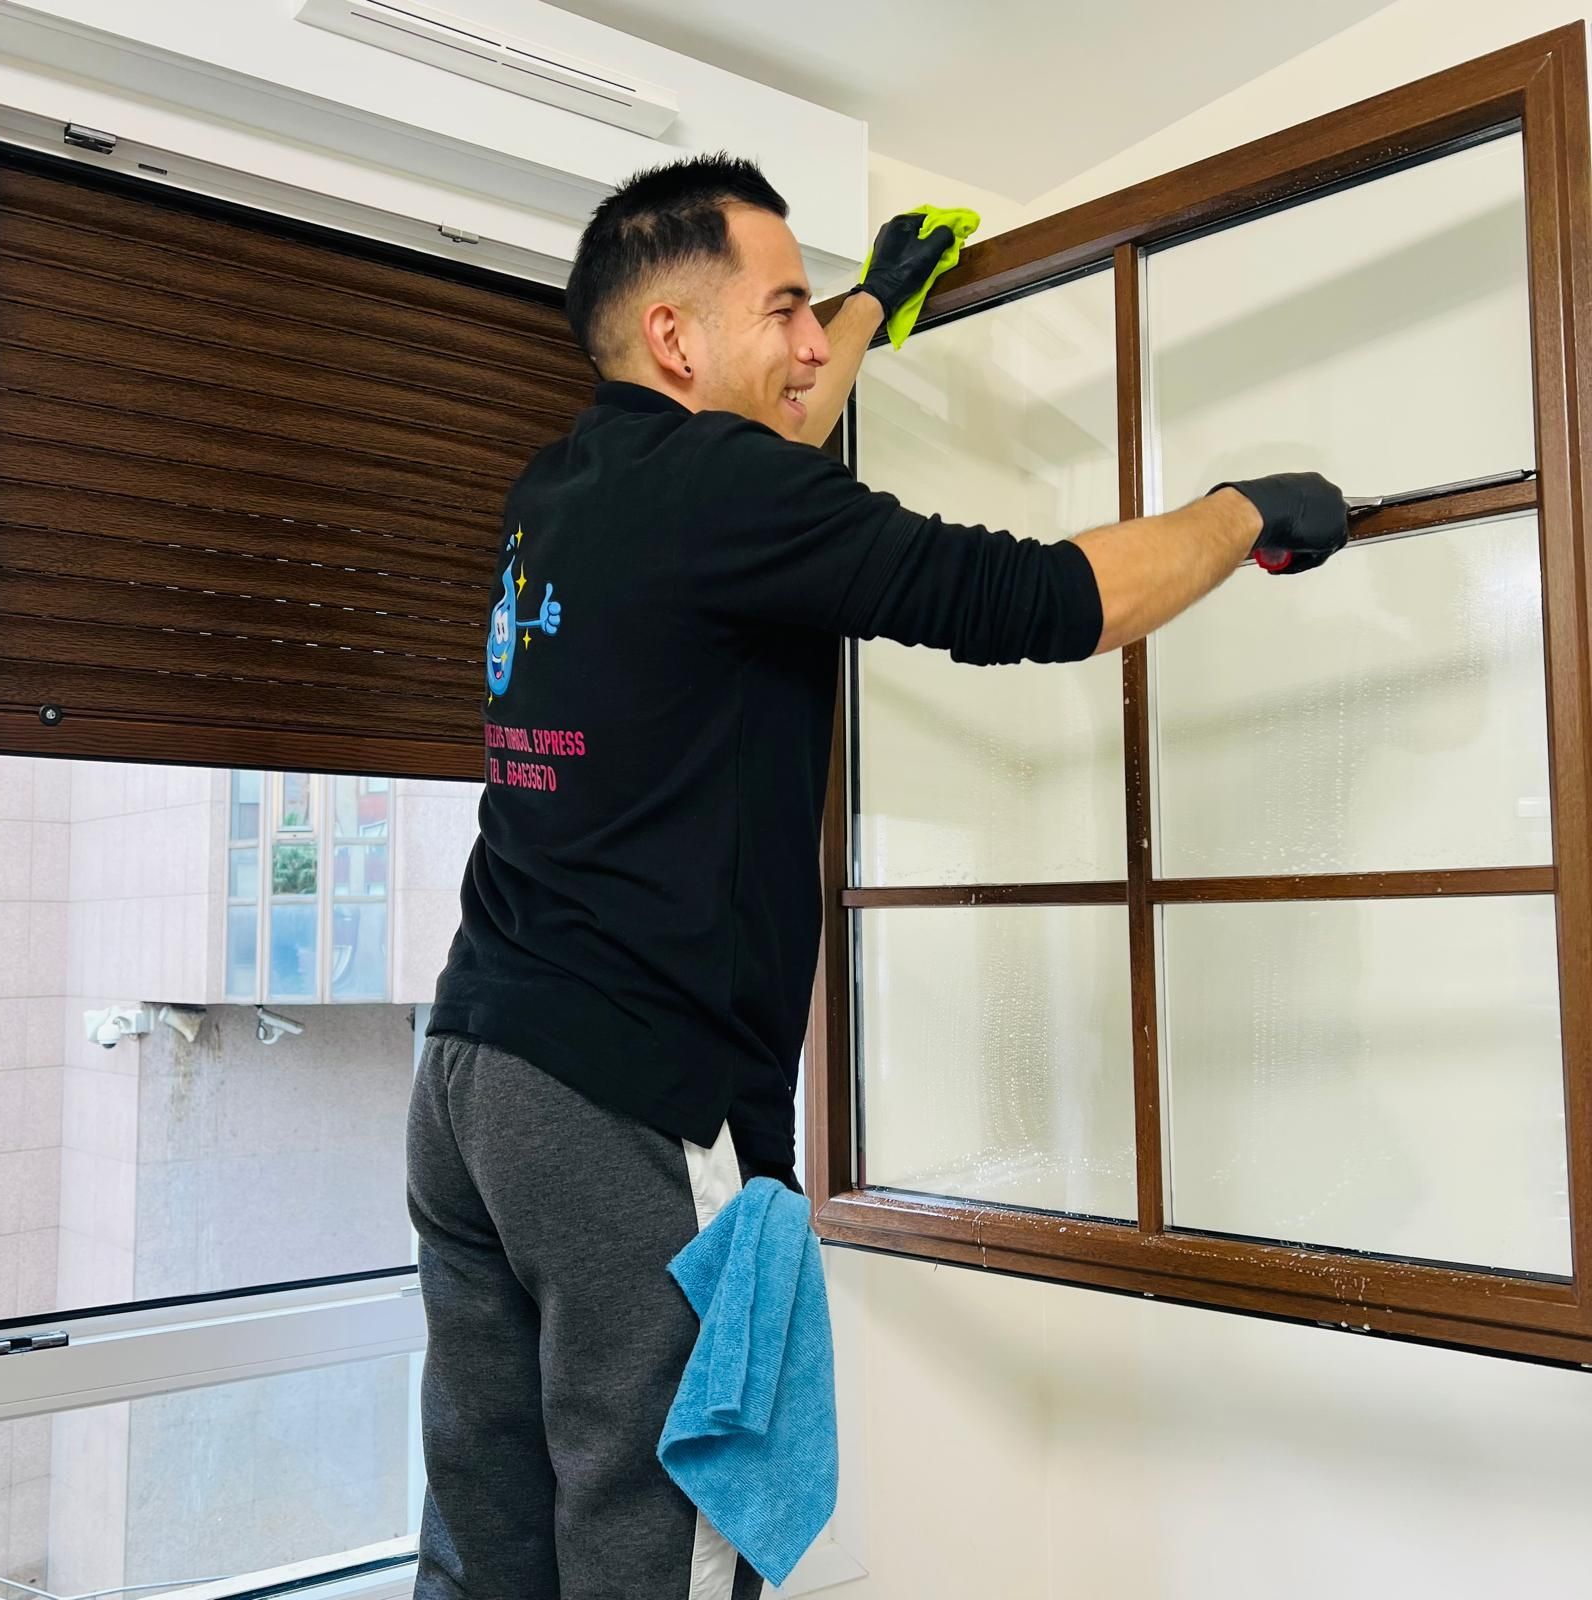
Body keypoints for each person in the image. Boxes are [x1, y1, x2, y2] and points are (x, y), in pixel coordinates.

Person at [405, 153, 1348, 1600]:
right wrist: (1241, 514)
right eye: (782, 308)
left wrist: (869, 307)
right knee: (664, 1534)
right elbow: (1049, 600)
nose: (807, 345)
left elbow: (772, 433)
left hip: (475, 1079)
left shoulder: (565, 486)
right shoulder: (726, 493)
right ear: (675, 336)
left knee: (491, 1533)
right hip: (629, 1099)